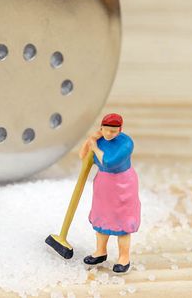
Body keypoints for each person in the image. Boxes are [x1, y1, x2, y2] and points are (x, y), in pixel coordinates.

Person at [78, 113, 140, 273]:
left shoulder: (126, 143)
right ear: (101, 128)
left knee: (122, 223)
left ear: (120, 130)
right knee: (102, 219)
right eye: (105, 130)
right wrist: (90, 140)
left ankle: (124, 258)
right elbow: (83, 156)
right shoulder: (99, 139)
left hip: (122, 184)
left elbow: (109, 162)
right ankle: (100, 251)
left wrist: (95, 147)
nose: (108, 134)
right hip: (103, 184)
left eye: (113, 131)